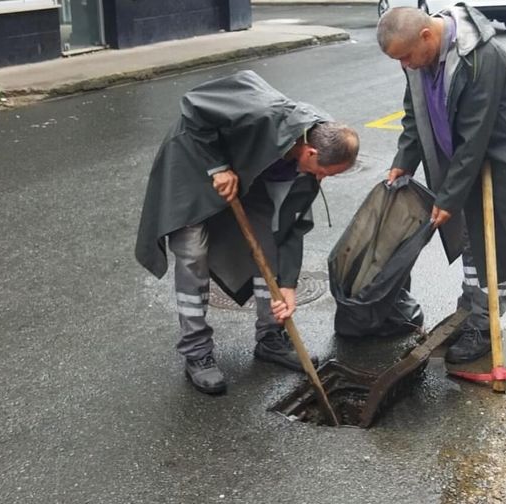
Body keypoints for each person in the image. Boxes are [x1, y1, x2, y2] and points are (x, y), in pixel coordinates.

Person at [135, 70, 359, 394]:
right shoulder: (262, 113)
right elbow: (193, 105)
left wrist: (289, 286)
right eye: (325, 172)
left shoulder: (312, 158)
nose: (323, 179)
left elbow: (292, 227)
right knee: (193, 254)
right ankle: (197, 353)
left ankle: (270, 337)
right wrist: (218, 167)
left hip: (246, 173)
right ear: (311, 153)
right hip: (194, 162)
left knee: (267, 244)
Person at [376, 5, 506, 363]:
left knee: (497, 247)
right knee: (472, 240)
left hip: (504, 161)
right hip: (466, 162)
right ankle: (471, 309)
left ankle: (484, 323)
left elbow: (476, 134)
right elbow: (415, 113)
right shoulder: (420, 59)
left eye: (407, 56)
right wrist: (403, 162)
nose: (405, 66)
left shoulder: (481, 57)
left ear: (427, 35)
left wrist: (449, 196)